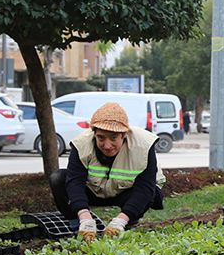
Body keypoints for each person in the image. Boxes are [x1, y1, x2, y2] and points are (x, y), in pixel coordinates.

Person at [50, 102, 166, 242]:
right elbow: (75, 182)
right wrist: (84, 216)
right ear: (94, 134)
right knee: (58, 178)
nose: (107, 145)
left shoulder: (143, 146)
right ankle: (77, 226)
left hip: (125, 192)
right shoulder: (81, 145)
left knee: (152, 192)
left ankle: (128, 222)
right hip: (94, 191)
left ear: (123, 135)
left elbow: (145, 188)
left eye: (113, 138)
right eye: (101, 138)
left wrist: (121, 220)